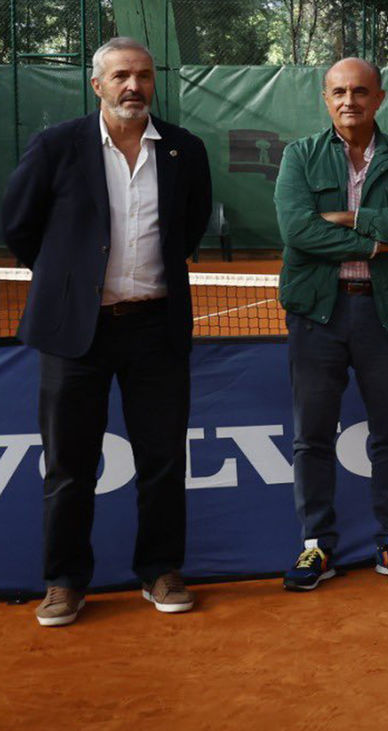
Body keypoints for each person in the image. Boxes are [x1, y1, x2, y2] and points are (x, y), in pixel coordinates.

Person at [1, 37, 212, 626]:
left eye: (143, 76)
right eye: (120, 76)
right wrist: (70, 280)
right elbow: (19, 225)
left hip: (155, 328)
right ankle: (64, 581)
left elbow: (190, 224)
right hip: (77, 334)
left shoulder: (183, 150)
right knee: (68, 464)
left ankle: (160, 569)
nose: (133, 87)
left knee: (164, 461)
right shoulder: (56, 146)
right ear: (97, 85)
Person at [273, 58, 388, 591]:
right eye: (340, 92)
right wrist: (375, 240)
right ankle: (315, 545)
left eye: (361, 92)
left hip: (384, 311)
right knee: (312, 436)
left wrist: (346, 218)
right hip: (318, 313)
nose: (350, 101)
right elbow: (298, 230)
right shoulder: (300, 155)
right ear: (326, 98)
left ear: (380, 97)